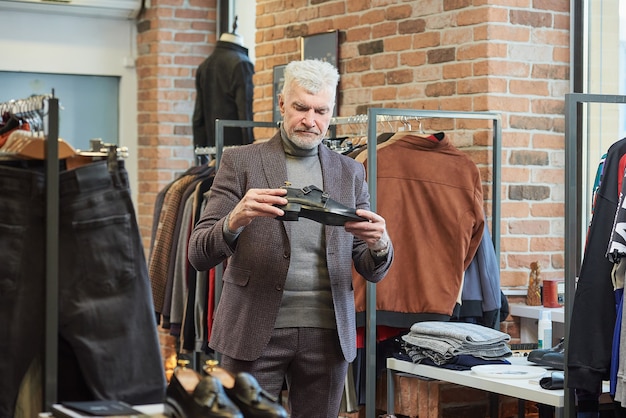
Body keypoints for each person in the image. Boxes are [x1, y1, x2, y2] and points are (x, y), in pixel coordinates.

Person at [187, 59, 393, 418]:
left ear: (332, 112)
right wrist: (235, 219)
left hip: (328, 336)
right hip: (252, 330)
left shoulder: (350, 171)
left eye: (321, 111)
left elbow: (369, 265)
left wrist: (380, 244)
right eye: (301, 108)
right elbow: (198, 253)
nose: (310, 121)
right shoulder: (241, 161)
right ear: (281, 104)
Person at [192, 29, 255, 152]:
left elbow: (198, 118)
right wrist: (251, 153)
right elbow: (246, 114)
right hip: (238, 153)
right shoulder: (242, 64)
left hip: (214, 152)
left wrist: (201, 156)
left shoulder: (204, 66)